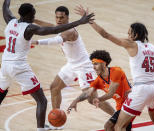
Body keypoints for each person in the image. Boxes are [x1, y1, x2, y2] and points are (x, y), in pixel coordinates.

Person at [0, 1, 94, 131]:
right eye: (33, 13)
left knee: (2, 91)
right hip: (19, 67)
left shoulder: (10, 21)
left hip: (5, 65)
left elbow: (5, 8)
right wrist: (79, 21)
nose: (35, 16)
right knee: (42, 101)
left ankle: (55, 125)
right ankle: (41, 129)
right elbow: (53, 30)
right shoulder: (30, 28)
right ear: (28, 15)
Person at [75, 5, 154, 131]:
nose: (127, 36)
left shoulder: (131, 44)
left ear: (135, 34)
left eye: (129, 33)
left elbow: (105, 34)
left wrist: (89, 20)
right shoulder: (152, 47)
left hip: (141, 89)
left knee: (119, 127)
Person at [32, 6, 115, 129]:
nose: (59, 20)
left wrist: (37, 42)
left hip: (84, 66)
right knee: (54, 87)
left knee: (92, 99)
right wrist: (33, 20)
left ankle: (117, 116)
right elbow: (49, 26)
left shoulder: (70, 30)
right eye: (57, 17)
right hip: (71, 65)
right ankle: (57, 121)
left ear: (67, 18)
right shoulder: (60, 27)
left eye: (62, 17)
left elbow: (56, 39)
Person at [69, 50, 132, 131]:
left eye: (96, 64)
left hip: (131, 102)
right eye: (92, 64)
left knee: (110, 126)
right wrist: (75, 101)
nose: (93, 67)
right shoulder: (99, 80)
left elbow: (110, 94)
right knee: (117, 127)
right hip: (121, 106)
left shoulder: (116, 71)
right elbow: (88, 92)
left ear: (104, 63)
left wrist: (98, 99)